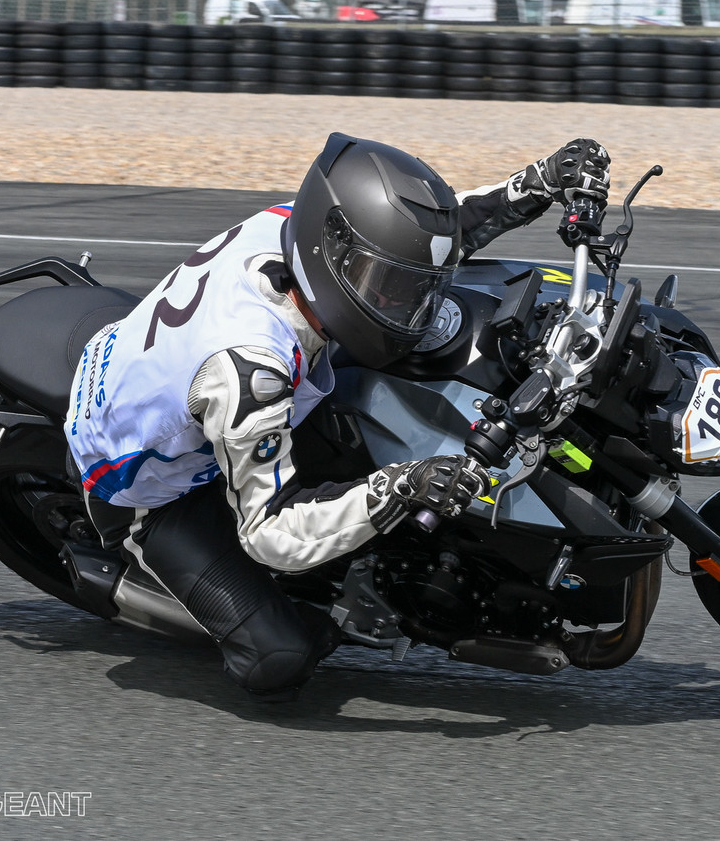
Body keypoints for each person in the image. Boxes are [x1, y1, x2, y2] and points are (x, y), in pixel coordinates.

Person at [65, 133, 610, 700]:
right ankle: (135, 585)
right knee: (281, 657)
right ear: (331, 259)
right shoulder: (250, 372)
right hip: (148, 490)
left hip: (197, 385)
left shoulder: (300, 225)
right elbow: (270, 534)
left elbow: (416, 245)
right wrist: (403, 486)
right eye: (393, 291)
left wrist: (538, 182)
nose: (410, 303)